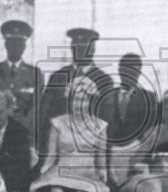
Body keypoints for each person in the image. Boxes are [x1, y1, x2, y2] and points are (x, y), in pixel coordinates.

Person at [31, 79, 110, 192]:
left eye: (82, 99)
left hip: (86, 170)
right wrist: (45, 167)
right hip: (63, 167)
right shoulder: (57, 123)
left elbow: (101, 157)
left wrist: (103, 172)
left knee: (83, 189)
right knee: (55, 185)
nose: (77, 104)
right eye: (74, 99)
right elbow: (52, 153)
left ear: (89, 101)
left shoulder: (100, 126)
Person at [38, 27, 114, 158]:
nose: (79, 52)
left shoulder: (104, 81)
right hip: (58, 148)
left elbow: (108, 119)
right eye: (75, 47)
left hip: (92, 151)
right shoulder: (58, 77)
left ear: (93, 49)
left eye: (84, 48)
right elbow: (45, 114)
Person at [0, 19, 44, 141]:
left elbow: (37, 108)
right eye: (11, 43)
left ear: (24, 46)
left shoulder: (34, 74)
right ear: (5, 45)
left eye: (19, 43)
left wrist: (20, 130)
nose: (15, 47)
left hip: (25, 134)